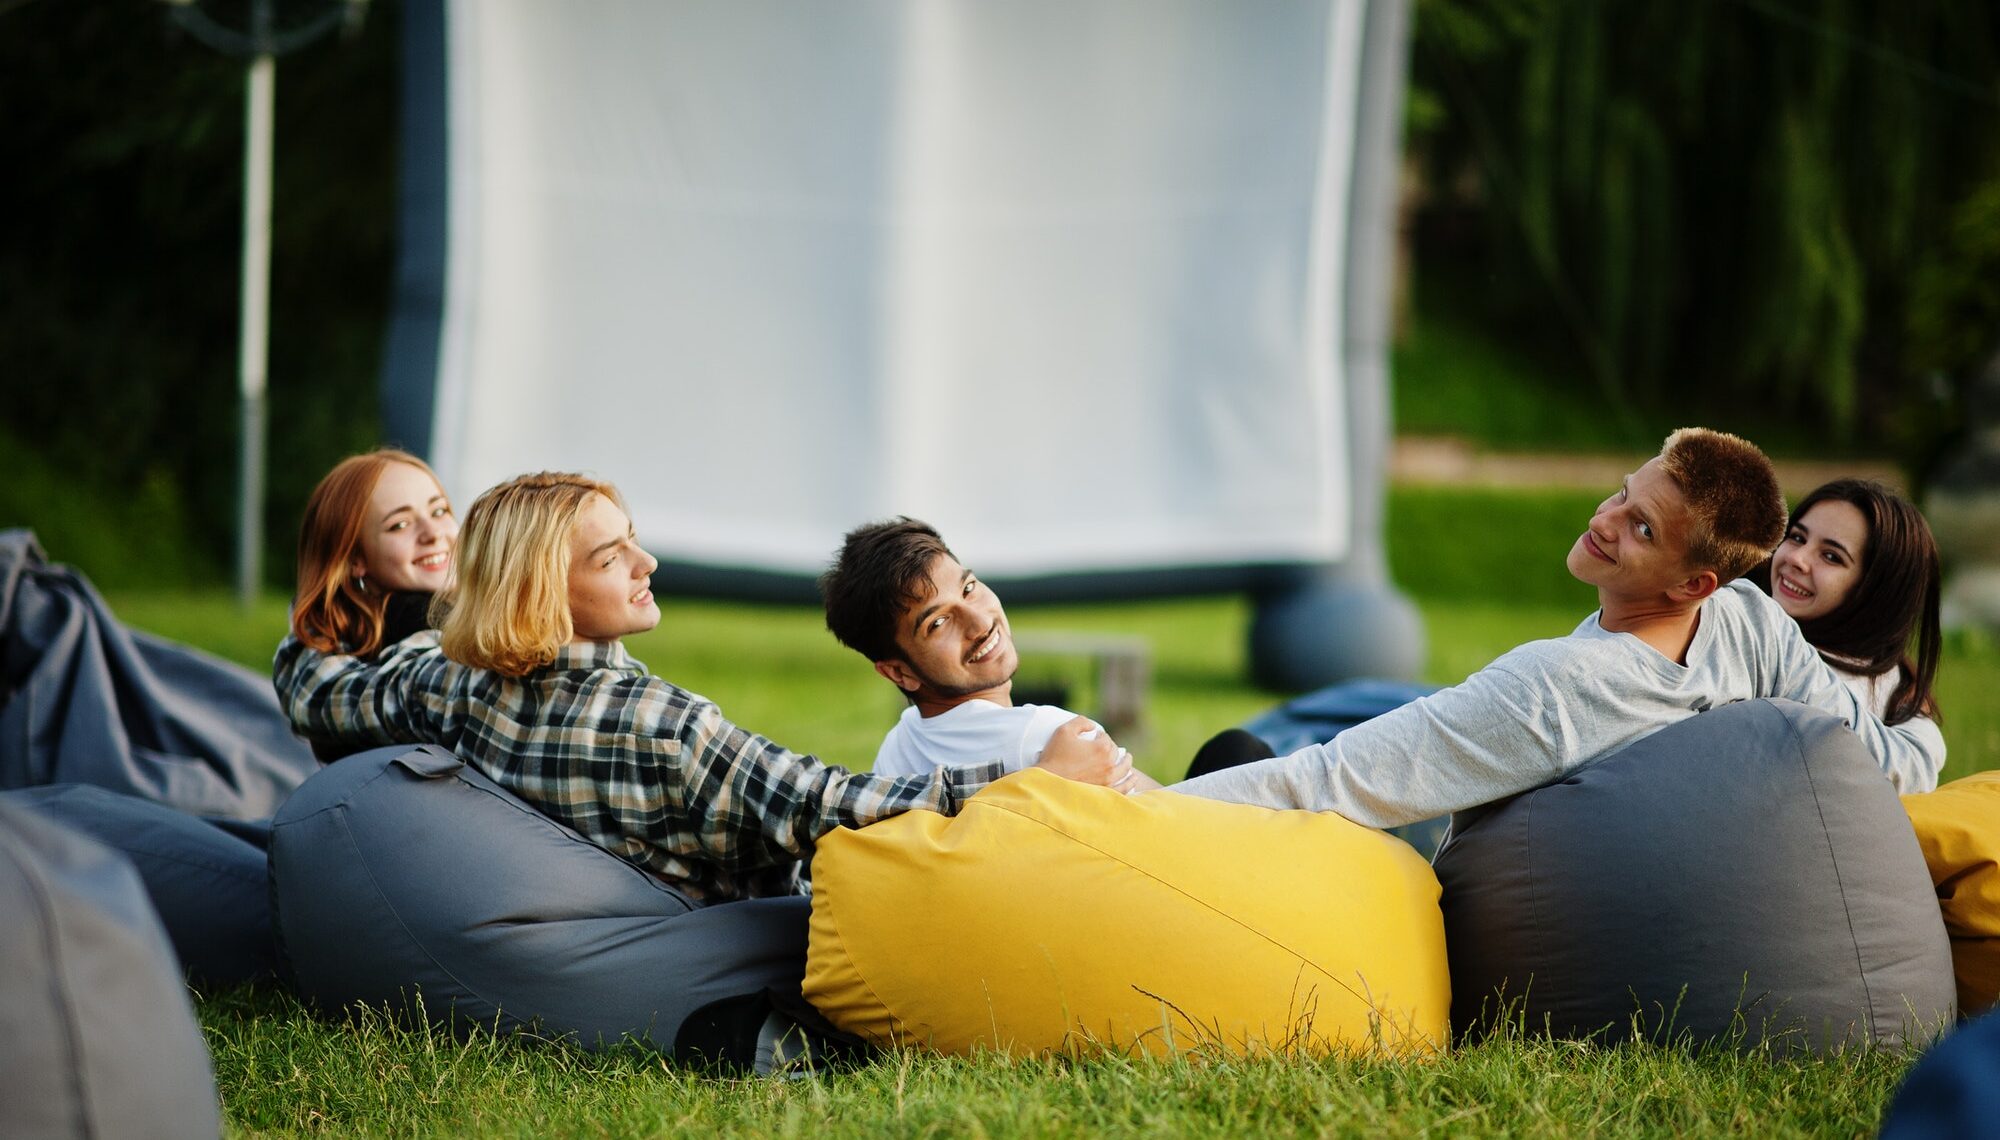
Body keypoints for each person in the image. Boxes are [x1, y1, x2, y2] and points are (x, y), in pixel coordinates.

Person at [274, 471, 1134, 904]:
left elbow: (323, 691)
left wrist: (323, 603)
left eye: (634, 540)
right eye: (613, 559)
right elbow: (835, 808)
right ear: (543, 591)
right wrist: (1029, 785)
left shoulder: (445, 682)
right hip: (721, 925)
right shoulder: (660, 727)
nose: (647, 565)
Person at [1173, 428, 1946, 826]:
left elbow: (1328, 783)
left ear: (1693, 582)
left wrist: (1135, 808)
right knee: (1335, 714)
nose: (1604, 521)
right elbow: (1885, 755)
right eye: (1620, 494)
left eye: (1642, 528)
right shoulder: (1752, 621)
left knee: (1244, 760)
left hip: (1423, 861)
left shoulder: (1558, 684)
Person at [819, 517, 1169, 789]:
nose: (979, 622)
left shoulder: (900, 746)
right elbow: (1182, 817)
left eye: (968, 589)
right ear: (898, 673)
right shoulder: (1052, 739)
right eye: (938, 623)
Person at [1755, 478, 1942, 727]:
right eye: (1798, 537)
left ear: (1875, 590)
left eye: (1831, 556)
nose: (1797, 558)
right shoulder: (1746, 629)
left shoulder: (1876, 700)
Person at [291, 448, 458, 661]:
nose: (433, 533)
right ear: (353, 558)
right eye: (400, 524)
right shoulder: (424, 628)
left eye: (439, 511)